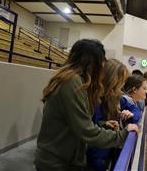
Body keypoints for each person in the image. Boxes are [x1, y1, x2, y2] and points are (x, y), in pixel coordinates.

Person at [34, 39, 138, 171]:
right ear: (91, 62)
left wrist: (101, 125)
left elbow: (76, 123)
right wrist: (122, 135)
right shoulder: (71, 82)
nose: (103, 66)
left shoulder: (75, 81)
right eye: (101, 60)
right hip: (57, 164)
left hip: (64, 161)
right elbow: (85, 130)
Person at [87, 59, 141, 171]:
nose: (122, 85)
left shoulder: (117, 96)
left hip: (106, 154)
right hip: (93, 157)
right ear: (112, 79)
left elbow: (136, 112)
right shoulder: (93, 97)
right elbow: (88, 128)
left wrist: (129, 115)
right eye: (121, 81)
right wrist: (103, 124)